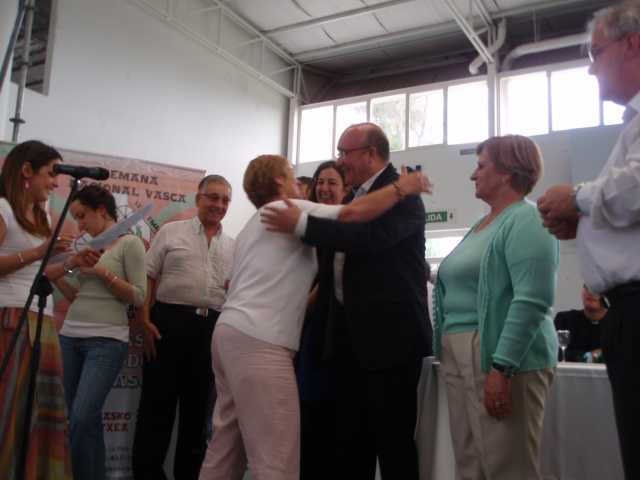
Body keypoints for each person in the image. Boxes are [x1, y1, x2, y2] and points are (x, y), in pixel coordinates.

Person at [198, 154, 432, 480]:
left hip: (228, 334)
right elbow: (354, 214)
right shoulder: (288, 210)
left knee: (225, 451)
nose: (299, 182)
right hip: (262, 341)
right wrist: (402, 186)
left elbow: (232, 282)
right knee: (277, 461)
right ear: (278, 182)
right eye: (292, 174)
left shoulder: (254, 224)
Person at [259, 123, 432, 480]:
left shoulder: (401, 196)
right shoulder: (354, 199)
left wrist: (302, 224)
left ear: (371, 153)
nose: (340, 162)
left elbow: (368, 239)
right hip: (348, 342)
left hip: (390, 342)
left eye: (344, 153)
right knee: (350, 448)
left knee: (393, 445)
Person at [537, 4, 640, 477]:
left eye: (596, 51)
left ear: (632, 45)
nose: (590, 66)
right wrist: (588, 222)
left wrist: (578, 198)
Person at [434, 135, 559, 480]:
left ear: (507, 173)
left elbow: (533, 300)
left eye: (480, 166)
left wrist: (501, 368)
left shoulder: (527, 220)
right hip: (460, 349)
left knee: (508, 467)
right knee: (470, 464)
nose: (473, 175)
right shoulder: (481, 224)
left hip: (497, 354)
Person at [0, 140, 102, 480]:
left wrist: (72, 263)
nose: (55, 183)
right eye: (51, 174)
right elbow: (24, 264)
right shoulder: (3, 208)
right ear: (26, 171)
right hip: (10, 320)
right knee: (9, 412)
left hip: (41, 323)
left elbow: (39, 276)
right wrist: (37, 252)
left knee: (42, 415)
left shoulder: (42, 215)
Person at [132, 175, 234, 480]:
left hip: (211, 330)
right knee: (155, 413)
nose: (218, 205)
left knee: (197, 418)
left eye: (225, 200)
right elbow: (148, 276)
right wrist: (145, 320)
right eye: (213, 197)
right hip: (168, 326)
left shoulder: (234, 246)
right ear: (198, 199)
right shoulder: (170, 231)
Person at [53, 185, 147, 480]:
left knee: (82, 417)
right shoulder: (86, 248)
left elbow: (139, 296)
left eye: (82, 216)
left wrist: (103, 273)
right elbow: (78, 298)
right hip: (70, 336)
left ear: (101, 210)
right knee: (80, 419)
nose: (79, 225)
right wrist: (56, 275)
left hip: (106, 341)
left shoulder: (129, 243)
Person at [298, 160, 350, 480]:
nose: (325, 189)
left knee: (324, 414)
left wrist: (305, 305)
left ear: (346, 190)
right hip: (300, 331)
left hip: (329, 331)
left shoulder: (346, 225)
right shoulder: (306, 224)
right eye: (320, 182)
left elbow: (329, 279)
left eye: (332, 183)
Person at [554, 285, 605, 362]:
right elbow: (554, 351)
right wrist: (590, 355)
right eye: (586, 288)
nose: (590, 293)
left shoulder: (617, 324)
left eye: (596, 289)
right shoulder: (565, 319)